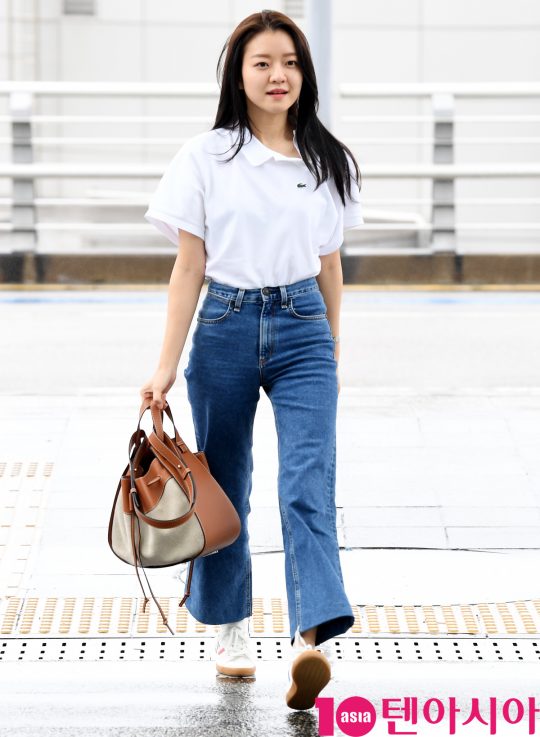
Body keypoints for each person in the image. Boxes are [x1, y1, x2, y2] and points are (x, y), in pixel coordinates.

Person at [140, 9, 364, 711]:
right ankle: (232, 632)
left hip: (303, 331)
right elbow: (187, 269)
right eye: (263, 63)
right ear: (238, 74)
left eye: (291, 63)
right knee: (226, 485)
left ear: (306, 74)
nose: (278, 76)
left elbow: (330, 266)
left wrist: (329, 342)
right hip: (225, 326)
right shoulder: (205, 158)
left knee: (307, 479)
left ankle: (310, 640)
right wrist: (164, 365)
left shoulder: (325, 160)